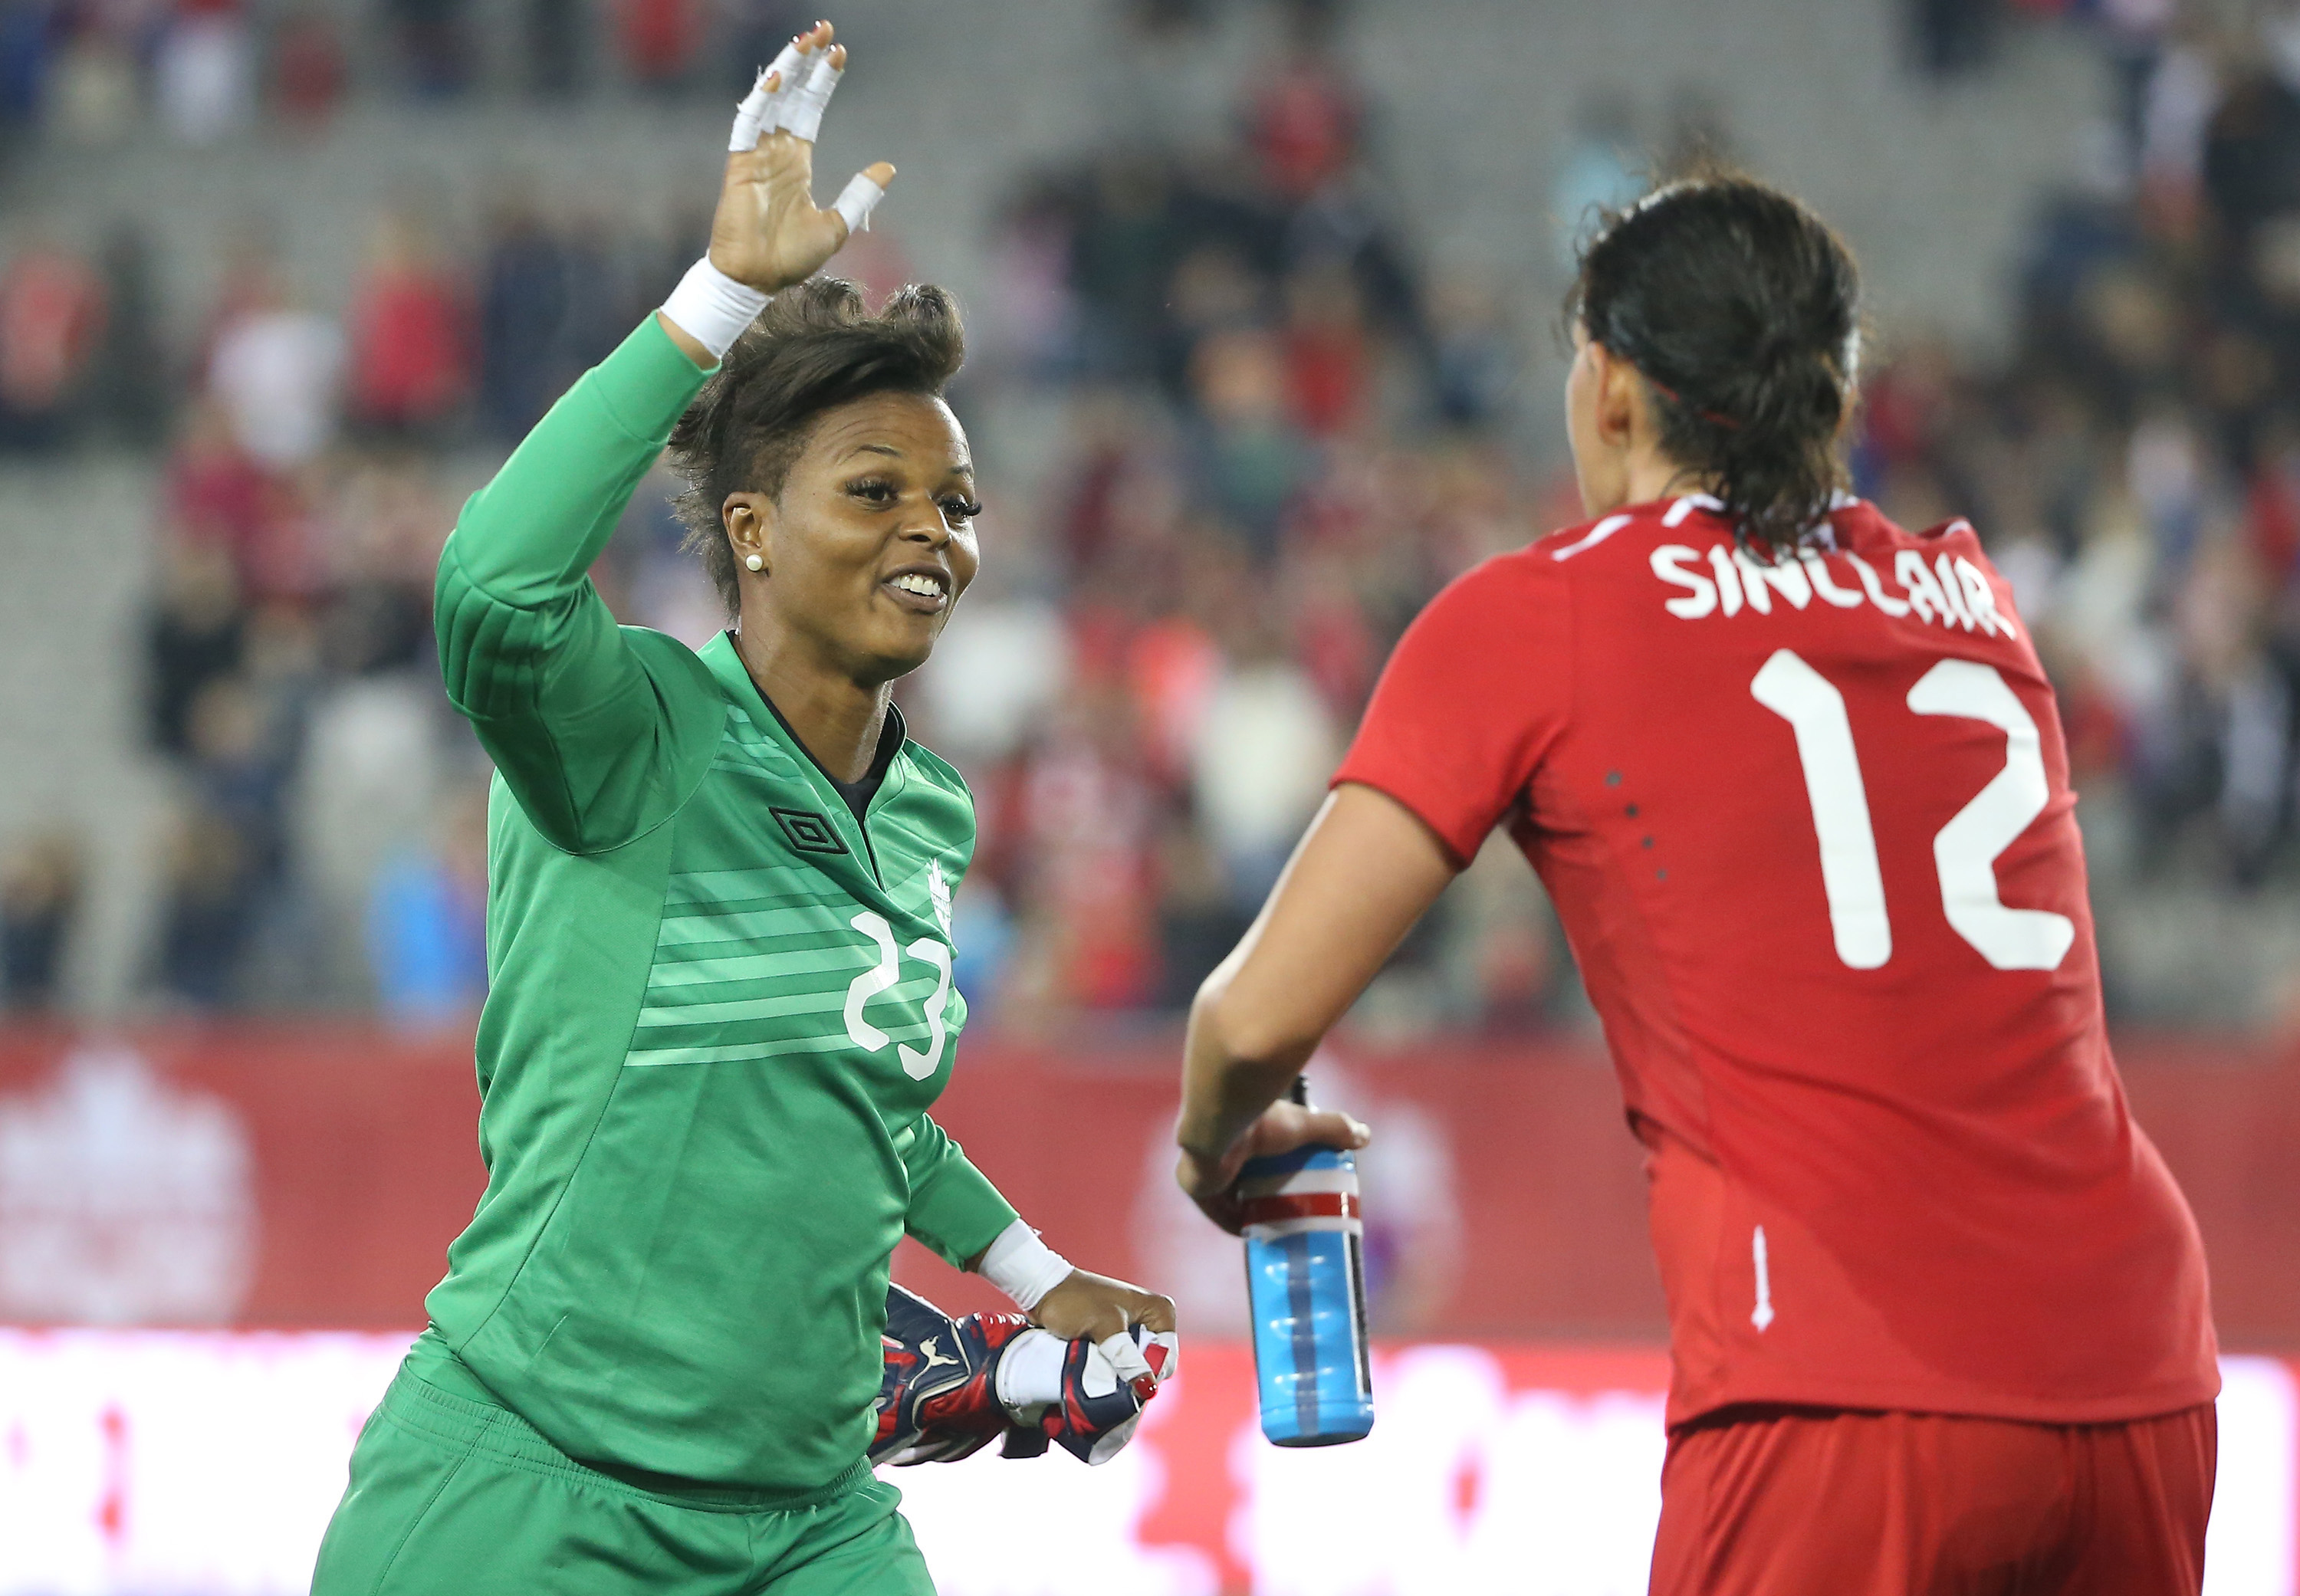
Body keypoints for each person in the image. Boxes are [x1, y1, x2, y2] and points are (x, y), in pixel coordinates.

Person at [1174, 174, 2218, 1595]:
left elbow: (1247, 1024)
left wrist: (1212, 1138)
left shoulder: (1542, 617)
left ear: (1608, 388)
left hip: (1838, 1377)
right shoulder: (1977, 600)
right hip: (2139, 1368)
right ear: (1832, 398)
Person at [314, 24, 1174, 1594]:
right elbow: (491, 586)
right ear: (752, 530)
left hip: (810, 1520)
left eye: (957, 504)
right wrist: (714, 301)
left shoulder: (928, 813)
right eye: (876, 490)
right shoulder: (629, 733)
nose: (935, 531)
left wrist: (1032, 1274)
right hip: (533, 1498)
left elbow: (857, 1101)